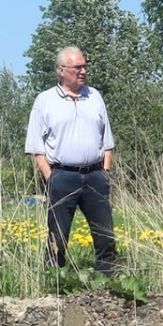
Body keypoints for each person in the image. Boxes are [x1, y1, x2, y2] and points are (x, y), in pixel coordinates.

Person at [25, 46, 118, 276]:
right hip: (62, 176)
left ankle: (107, 281)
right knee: (57, 234)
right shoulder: (45, 101)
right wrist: (51, 176)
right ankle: (55, 282)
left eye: (85, 66)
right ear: (61, 70)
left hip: (95, 176)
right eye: (78, 67)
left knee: (105, 233)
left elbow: (107, 142)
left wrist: (105, 173)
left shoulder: (95, 97)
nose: (83, 71)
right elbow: (36, 146)